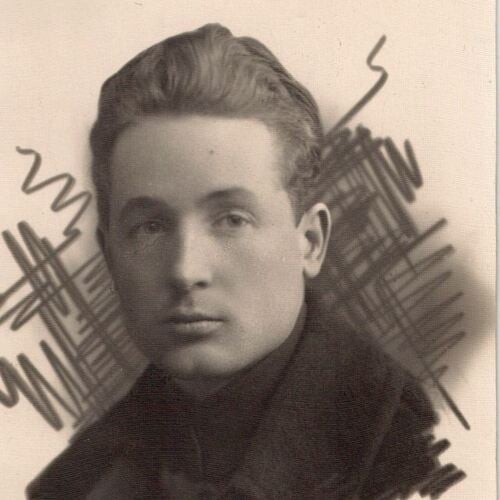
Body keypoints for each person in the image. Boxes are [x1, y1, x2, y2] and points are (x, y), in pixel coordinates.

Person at [27, 24, 461, 499]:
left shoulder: (417, 460)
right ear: (110, 256)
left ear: (310, 242)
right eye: (150, 227)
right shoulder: (75, 484)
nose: (186, 271)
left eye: (231, 220)